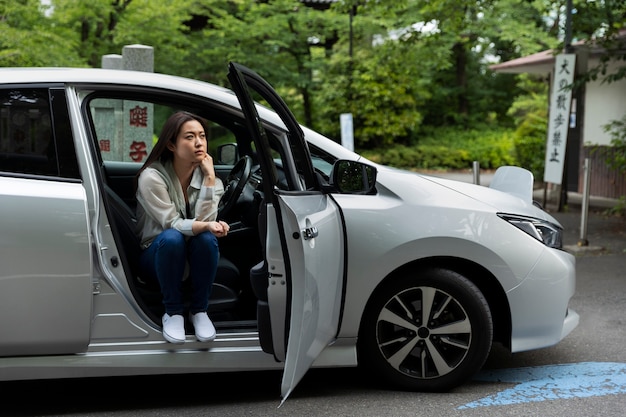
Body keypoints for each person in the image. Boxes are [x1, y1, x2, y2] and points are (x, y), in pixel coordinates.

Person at [135, 111, 230, 344]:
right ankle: (173, 311)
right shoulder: (152, 177)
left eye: (202, 136)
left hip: (190, 253)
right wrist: (208, 224)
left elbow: (206, 223)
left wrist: (209, 180)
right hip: (156, 255)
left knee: (207, 240)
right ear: (170, 144)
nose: (199, 143)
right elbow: (173, 223)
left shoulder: (212, 179)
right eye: (189, 137)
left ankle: (199, 311)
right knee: (172, 237)